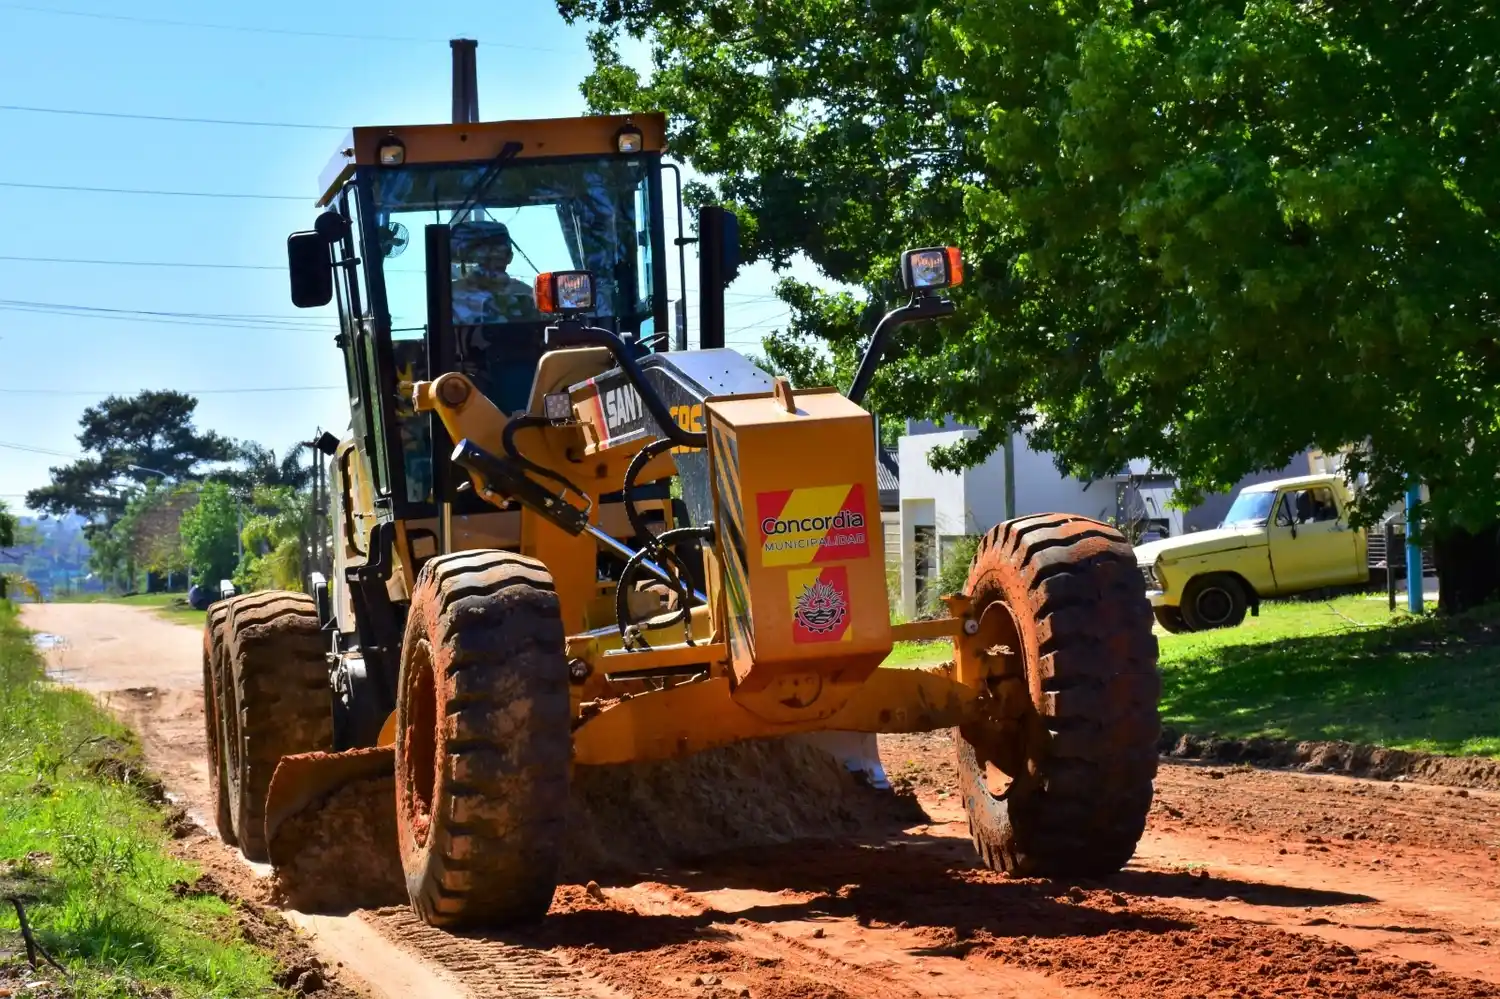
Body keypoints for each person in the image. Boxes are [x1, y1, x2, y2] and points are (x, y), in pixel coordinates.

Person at [450, 221, 539, 324]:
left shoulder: (526, 295)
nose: (490, 267)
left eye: (497, 258)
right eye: (481, 260)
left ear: (509, 257)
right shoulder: (449, 296)